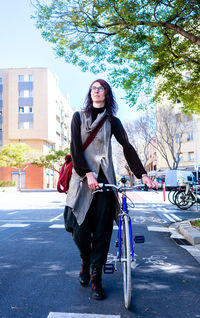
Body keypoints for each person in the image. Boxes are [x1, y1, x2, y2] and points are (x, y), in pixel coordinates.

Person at [64, 79, 158, 301]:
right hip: (81, 179)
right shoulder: (78, 116)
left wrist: (142, 173)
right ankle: (85, 261)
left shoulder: (112, 121)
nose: (97, 91)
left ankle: (97, 277)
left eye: (101, 88)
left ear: (107, 93)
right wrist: (87, 172)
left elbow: (127, 146)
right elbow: (75, 147)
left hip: (105, 181)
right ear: (90, 92)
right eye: (93, 88)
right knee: (79, 230)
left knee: (103, 233)